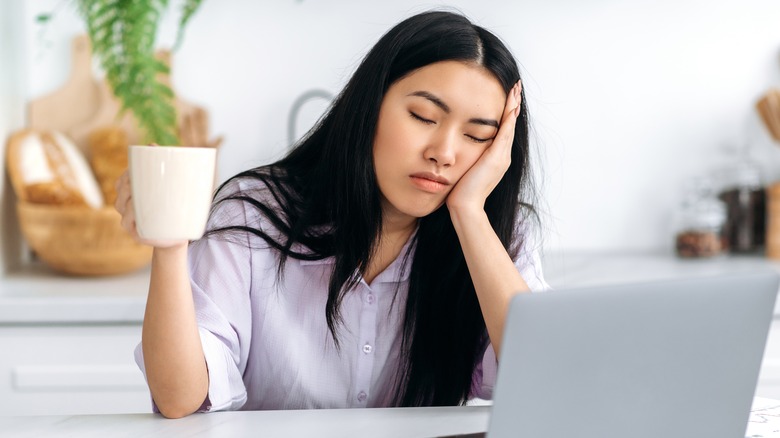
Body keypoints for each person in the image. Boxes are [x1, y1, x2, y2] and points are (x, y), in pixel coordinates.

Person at [115, 9, 550, 419]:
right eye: (423, 116)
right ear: (370, 105)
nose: (445, 153)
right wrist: (170, 246)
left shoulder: (500, 238)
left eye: (477, 136)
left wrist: (470, 214)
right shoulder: (255, 216)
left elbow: (541, 380)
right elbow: (179, 400)